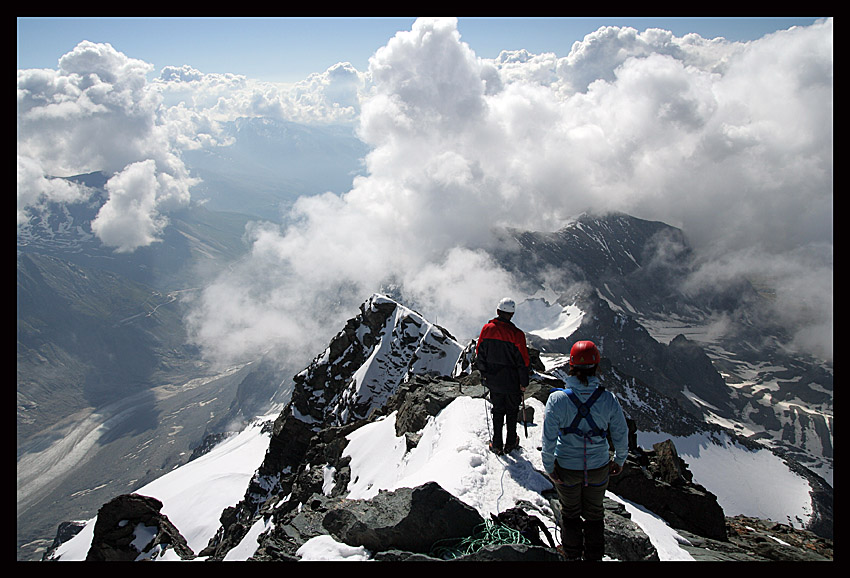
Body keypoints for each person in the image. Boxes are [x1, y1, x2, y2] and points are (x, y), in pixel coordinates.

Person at [541, 340, 628, 561]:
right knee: (595, 513)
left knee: (570, 513)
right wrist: (619, 460)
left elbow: (549, 438)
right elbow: (620, 432)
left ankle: (572, 555)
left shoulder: (557, 399)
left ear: (571, 366)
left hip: (567, 468)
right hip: (599, 467)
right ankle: (594, 557)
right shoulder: (608, 399)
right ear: (596, 366)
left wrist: (549, 466)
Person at [475, 297, 530, 456]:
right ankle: (511, 442)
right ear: (512, 314)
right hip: (512, 382)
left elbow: (480, 353)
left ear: (498, 311)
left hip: (494, 381)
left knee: (498, 411)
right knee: (512, 411)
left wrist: (484, 374)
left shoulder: (487, 329)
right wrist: (523, 382)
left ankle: (497, 443)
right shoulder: (517, 334)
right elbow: (523, 361)